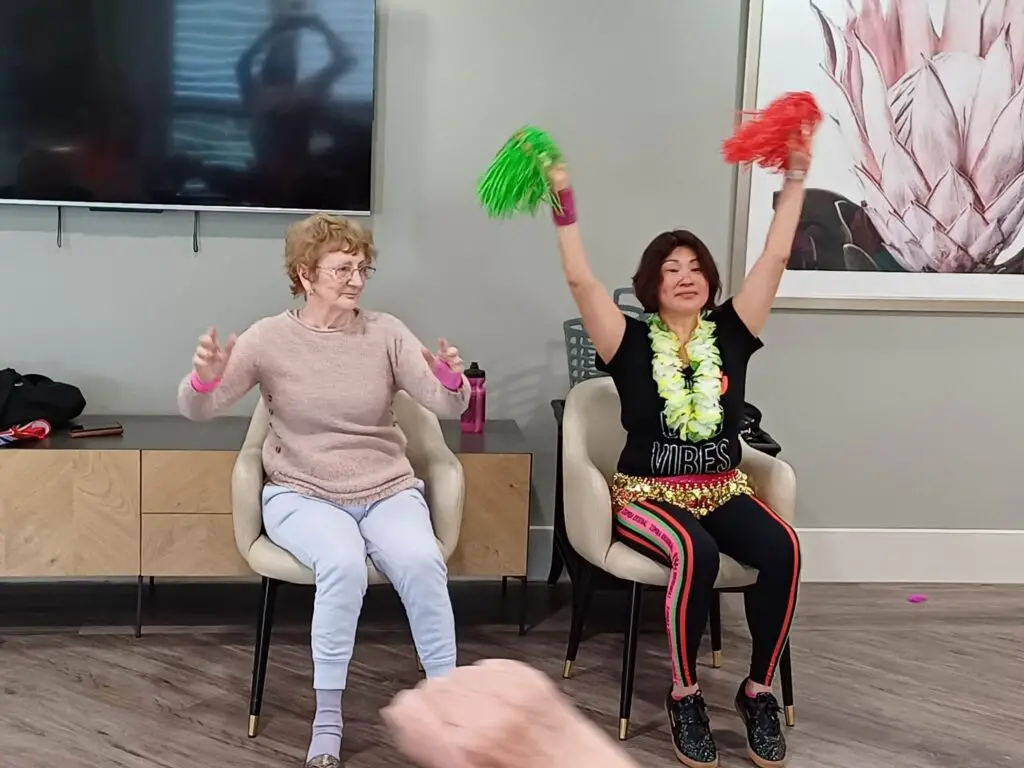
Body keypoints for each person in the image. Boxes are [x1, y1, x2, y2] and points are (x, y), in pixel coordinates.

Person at [547, 132, 812, 768]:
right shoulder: (629, 342)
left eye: (696, 269)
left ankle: (757, 692)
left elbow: (774, 262)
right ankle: (686, 695)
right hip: (646, 494)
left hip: (723, 486)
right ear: (651, 286)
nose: (686, 277)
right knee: (696, 550)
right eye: (672, 270)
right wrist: (563, 203)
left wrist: (796, 179)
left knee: (783, 547)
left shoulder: (733, 332)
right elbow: (581, 280)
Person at [177, 212, 469, 768]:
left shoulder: (385, 332)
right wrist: (205, 380)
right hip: (302, 491)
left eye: (363, 267)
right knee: (341, 563)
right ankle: (328, 719)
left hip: (384, 486)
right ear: (306, 275)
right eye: (342, 268)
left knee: (422, 560)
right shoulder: (267, 339)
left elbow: (445, 404)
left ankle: (451, 705)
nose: (356, 279)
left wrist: (452, 381)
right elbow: (200, 410)